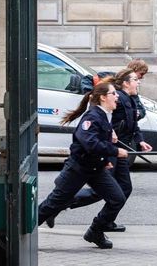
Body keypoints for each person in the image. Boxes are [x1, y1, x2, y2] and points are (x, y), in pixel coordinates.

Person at [47, 69, 153, 228]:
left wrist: (140, 141)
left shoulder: (130, 98)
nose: (139, 82)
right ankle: (62, 205)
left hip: (119, 152)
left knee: (124, 188)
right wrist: (112, 134)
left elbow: (133, 123)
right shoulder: (115, 99)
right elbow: (105, 122)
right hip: (110, 150)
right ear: (126, 83)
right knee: (101, 191)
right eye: (136, 79)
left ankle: (106, 221)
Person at [37, 81, 128, 249]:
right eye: (113, 93)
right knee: (53, 203)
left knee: (117, 198)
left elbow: (97, 142)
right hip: (77, 168)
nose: (117, 97)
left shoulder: (104, 115)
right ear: (102, 97)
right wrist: (115, 152)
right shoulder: (92, 117)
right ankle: (25, 232)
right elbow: (90, 143)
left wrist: (104, 160)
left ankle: (95, 231)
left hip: (95, 169)